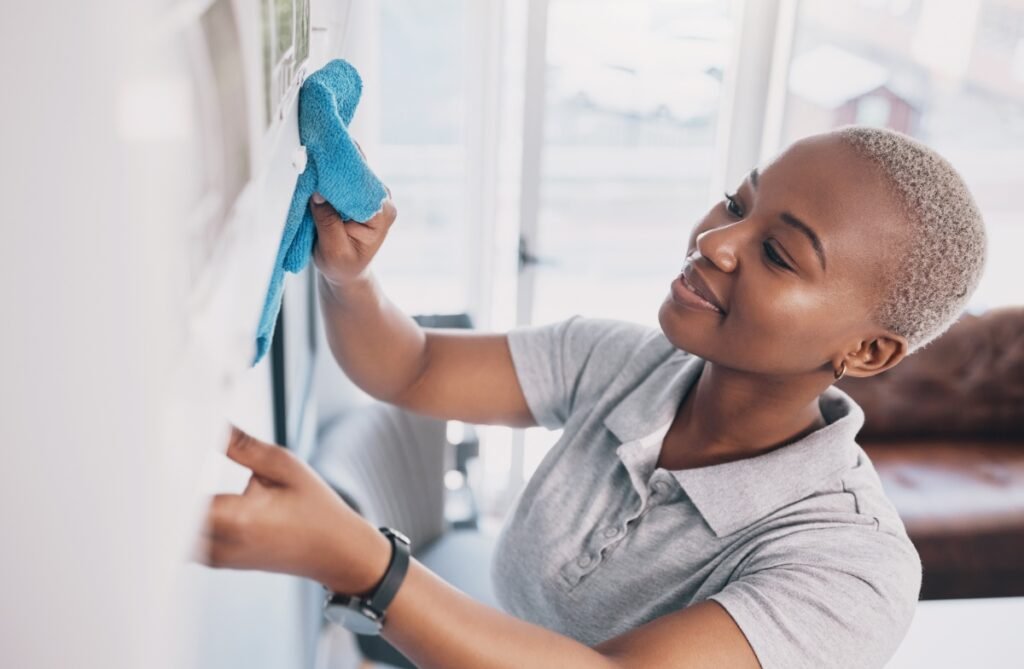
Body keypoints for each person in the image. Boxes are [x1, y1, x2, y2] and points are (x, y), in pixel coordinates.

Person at [199, 125, 986, 668]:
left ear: (869, 351)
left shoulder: (855, 569)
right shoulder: (626, 362)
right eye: (737, 203)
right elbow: (411, 368)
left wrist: (367, 565)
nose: (713, 242)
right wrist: (351, 276)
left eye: (777, 253)